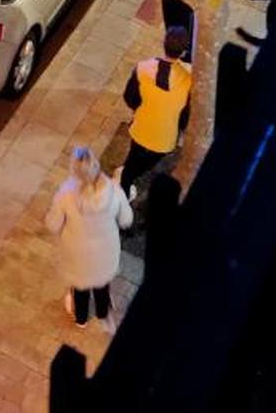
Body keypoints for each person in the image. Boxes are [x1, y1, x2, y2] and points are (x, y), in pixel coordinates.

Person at [44, 145, 132, 333]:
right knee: (101, 286)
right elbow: (127, 219)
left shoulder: (65, 195)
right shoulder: (114, 190)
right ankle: (102, 312)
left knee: (80, 290)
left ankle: (81, 319)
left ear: (74, 170)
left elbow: (53, 225)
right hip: (105, 254)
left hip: (77, 256)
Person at [119, 26, 193, 201]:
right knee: (144, 164)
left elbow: (129, 97)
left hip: (140, 127)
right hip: (164, 139)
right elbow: (186, 113)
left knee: (132, 159)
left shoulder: (142, 68)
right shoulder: (190, 77)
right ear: (184, 51)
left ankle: (125, 183)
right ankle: (128, 178)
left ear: (164, 43)